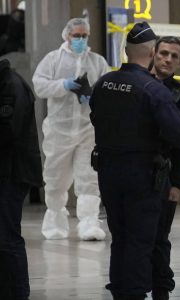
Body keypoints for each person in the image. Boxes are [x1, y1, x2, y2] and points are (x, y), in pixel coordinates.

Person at [89, 22, 180, 300]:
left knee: (119, 238)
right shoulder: (153, 90)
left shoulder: (103, 83)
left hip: (109, 172)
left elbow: (95, 117)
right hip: (142, 175)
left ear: (126, 50)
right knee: (140, 240)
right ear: (151, 52)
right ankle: (134, 293)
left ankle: (120, 293)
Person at [32, 18, 110, 241]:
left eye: (84, 36)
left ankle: (89, 224)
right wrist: (64, 85)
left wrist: (94, 96)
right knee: (56, 177)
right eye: (77, 36)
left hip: (88, 130)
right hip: (60, 130)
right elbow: (39, 85)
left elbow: (107, 88)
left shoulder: (97, 61)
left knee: (89, 177)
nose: (81, 39)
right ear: (67, 36)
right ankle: (55, 222)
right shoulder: (52, 59)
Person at [150, 36, 180, 300]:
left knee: (160, 239)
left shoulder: (178, 97)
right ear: (153, 54)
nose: (167, 59)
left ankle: (161, 290)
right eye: (163, 53)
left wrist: (178, 184)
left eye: (173, 56)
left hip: (164, 178)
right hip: (134, 176)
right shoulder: (138, 86)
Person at [0, 58, 43, 300]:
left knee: (7, 237)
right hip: (6, 171)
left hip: (13, 174)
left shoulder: (11, 86)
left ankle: (17, 293)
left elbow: (7, 132)